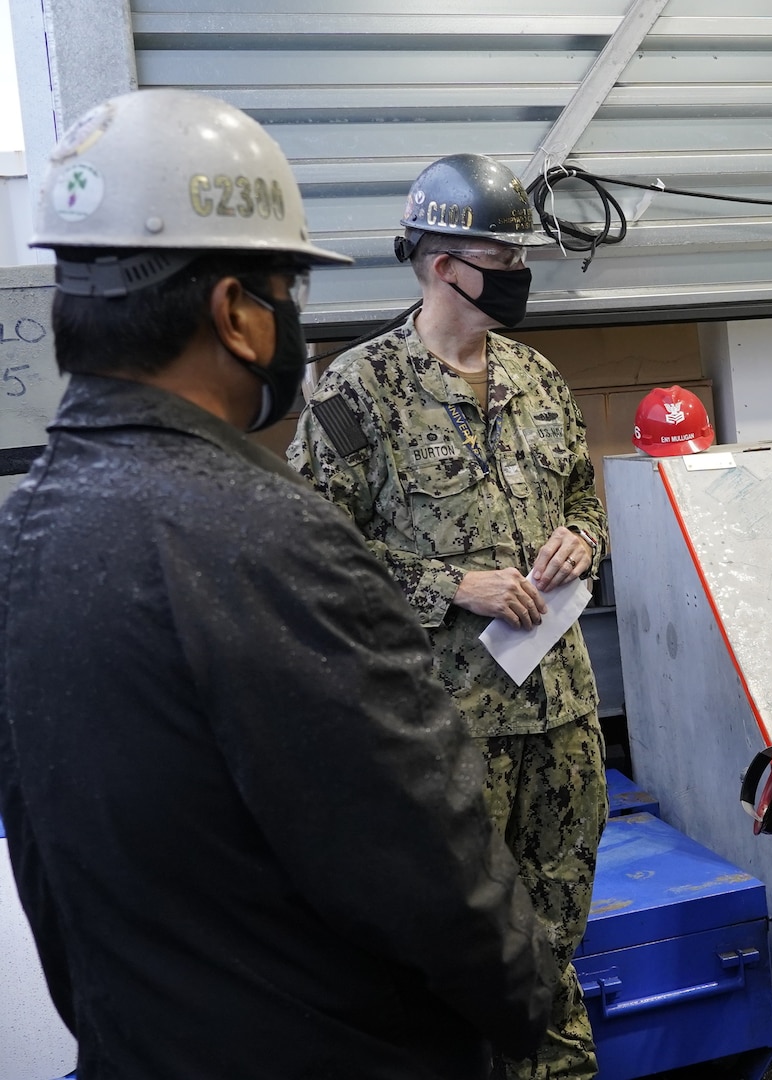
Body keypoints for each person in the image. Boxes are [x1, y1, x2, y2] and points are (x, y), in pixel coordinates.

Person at [0, 89, 555, 1079]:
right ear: (236, 314)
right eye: (288, 293)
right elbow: (434, 876)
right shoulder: (273, 541)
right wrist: (522, 1007)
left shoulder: (21, 540)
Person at [288, 153, 609, 1080]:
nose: (518, 275)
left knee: (554, 945)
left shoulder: (537, 378)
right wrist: (449, 587)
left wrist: (582, 541)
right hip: (440, 734)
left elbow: (585, 503)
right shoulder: (358, 391)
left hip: (560, 718)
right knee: (447, 962)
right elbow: (311, 561)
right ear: (442, 267)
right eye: (500, 259)